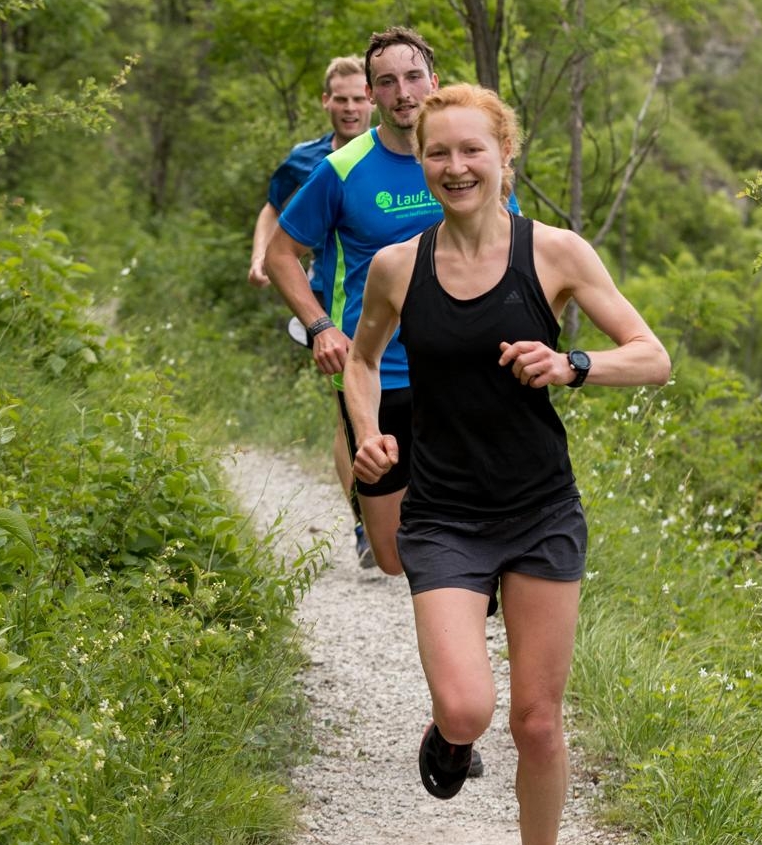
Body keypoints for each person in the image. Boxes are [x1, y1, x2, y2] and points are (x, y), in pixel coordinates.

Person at [343, 84, 670, 843]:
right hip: (445, 510)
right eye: (438, 152)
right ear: (420, 162)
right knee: (467, 707)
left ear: (504, 158)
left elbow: (653, 356)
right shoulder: (398, 266)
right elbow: (361, 361)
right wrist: (367, 431)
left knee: (538, 721)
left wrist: (570, 363)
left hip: (539, 510)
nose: (455, 167)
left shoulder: (553, 252)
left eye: (471, 151)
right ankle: (450, 732)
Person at [266, 27, 515, 581]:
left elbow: (513, 247)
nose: (403, 91)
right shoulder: (341, 169)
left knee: (472, 508)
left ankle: (472, 587)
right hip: (379, 368)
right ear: (372, 93)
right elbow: (281, 252)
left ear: (433, 81)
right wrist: (321, 326)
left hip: (467, 365)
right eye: (387, 81)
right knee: (392, 553)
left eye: (412, 77)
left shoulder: (468, 160)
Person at [247, 56, 378, 566]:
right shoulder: (306, 161)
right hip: (328, 303)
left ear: (371, 100)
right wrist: (261, 255)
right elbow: (274, 210)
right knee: (348, 410)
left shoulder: (403, 155)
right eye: (339, 99)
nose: (349, 108)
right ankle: (364, 522)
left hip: (390, 298)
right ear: (326, 102)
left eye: (357, 98)